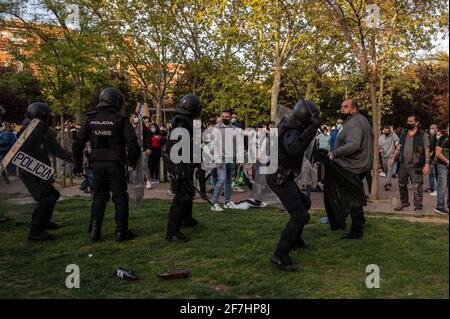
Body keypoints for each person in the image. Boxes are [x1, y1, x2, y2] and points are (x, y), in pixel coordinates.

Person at [73, 87, 141, 242]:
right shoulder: (120, 119)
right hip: (115, 164)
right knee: (120, 198)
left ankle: (94, 232)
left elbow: (77, 144)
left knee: (98, 197)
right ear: (116, 101)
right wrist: (132, 161)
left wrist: (77, 165)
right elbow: (132, 143)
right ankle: (121, 232)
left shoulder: (91, 118)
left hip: (97, 164)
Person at [266, 99, 322, 271]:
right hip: (278, 175)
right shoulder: (292, 128)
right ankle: (280, 255)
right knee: (300, 216)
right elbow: (293, 148)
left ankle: (296, 240)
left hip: (282, 173)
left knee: (304, 204)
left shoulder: (291, 123)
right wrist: (311, 128)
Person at [17, 103, 72, 241]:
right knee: (45, 199)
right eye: (48, 118)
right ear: (41, 116)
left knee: (53, 194)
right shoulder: (31, 130)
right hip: (31, 171)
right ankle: (35, 232)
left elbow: (51, 147)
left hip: (35, 170)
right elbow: (54, 148)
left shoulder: (35, 129)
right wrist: (69, 156)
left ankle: (45, 222)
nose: (50, 120)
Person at [328, 99, 373, 239]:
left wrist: (334, 153)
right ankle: (360, 223)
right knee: (353, 196)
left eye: (346, 107)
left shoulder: (355, 123)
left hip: (352, 166)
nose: (342, 109)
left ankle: (356, 230)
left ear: (354, 109)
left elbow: (353, 145)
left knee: (351, 198)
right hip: (358, 165)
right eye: (341, 107)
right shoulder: (361, 120)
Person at [164, 94, 203, 242]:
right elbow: (175, 149)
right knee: (181, 197)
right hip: (179, 166)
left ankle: (187, 219)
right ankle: (172, 232)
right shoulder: (182, 124)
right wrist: (179, 171)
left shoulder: (184, 122)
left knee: (188, 192)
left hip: (183, 164)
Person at [390, 114, 430, 212]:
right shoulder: (403, 133)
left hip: (416, 165)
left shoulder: (423, 134)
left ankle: (418, 207)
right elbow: (399, 147)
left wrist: (427, 164)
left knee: (417, 187)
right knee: (401, 185)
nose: (409, 123)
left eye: (411, 121)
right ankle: (404, 202)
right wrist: (393, 158)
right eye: (408, 121)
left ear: (417, 123)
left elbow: (427, 149)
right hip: (403, 165)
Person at [210, 109, 244, 211]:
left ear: (231, 117)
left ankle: (227, 202)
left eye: (227, 117)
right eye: (223, 116)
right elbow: (214, 145)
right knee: (222, 179)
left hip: (232, 158)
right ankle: (214, 203)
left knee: (229, 181)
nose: (224, 118)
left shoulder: (235, 129)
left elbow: (239, 144)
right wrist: (217, 159)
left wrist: (240, 158)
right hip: (221, 158)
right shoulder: (216, 129)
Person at [378, 125, 399, 191]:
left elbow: (397, 141)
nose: (386, 132)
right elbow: (379, 146)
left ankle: (388, 184)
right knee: (386, 170)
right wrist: (379, 149)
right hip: (383, 156)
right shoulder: (381, 137)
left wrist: (393, 131)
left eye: (388, 131)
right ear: (383, 130)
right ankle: (388, 181)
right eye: (385, 131)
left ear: (390, 131)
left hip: (391, 156)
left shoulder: (393, 135)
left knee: (390, 170)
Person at [434, 125, 449, 215]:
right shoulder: (443, 138)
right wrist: (447, 161)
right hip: (442, 165)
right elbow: (438, 153)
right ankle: (439, 206)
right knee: (442, 185)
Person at [142, 116, 153, 189]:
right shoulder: (133, 126)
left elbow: (149, 138)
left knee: (144, 165)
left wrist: (149, 148)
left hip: (144, 149)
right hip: (136, 149)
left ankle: (148, 180)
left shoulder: (146, 128)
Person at [427, 123, 438, 195]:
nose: (431, 130)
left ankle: (436, 190)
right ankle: (431, 188)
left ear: (436, 129)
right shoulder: (431, 136)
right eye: (430, 128)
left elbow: (436, 147)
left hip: (435, 158)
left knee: (434, 174)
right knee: (430, 173)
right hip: (430, 158)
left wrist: (432, 153)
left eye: (432, 128)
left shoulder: (437, 137)